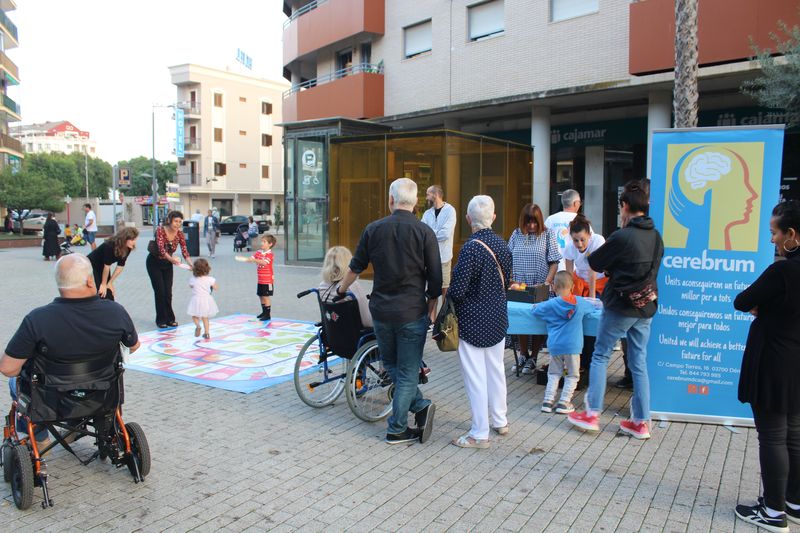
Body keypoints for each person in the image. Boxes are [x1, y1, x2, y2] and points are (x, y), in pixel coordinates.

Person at [337, 177, 442, 445]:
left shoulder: (374, 229)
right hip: (411, 312)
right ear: (416, 202)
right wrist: (431, 310)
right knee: (406, 372)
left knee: (393, 366)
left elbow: (355, 268)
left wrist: (340, 290)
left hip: (381, 312)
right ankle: (397, 427)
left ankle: (419, 406)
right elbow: (436, 280)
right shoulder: (425, 232)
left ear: (391, 200)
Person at [0, 254, 140, 448]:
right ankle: (76, 425)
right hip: (101, 391)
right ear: (90, 280)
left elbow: (8, 368)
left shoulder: (37, 319)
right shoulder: (116, 311)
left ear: (59, 283)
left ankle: (40, 439)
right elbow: (133, 346)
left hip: (50, 398)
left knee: (14, 383)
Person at [568, 180, 663, 440]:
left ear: (625, 206)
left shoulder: (622, 236)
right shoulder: (656, 236)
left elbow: (595, 261)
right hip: (645, 306)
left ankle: (592, 414)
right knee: (639, 362)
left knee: (600, 355)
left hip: (620, 306)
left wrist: (615, 265)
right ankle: (641, 422)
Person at [733, 200, 800, 532]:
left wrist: (766, 307)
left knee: (772, 437)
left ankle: (773, 513)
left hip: (774, 362)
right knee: (795, 436)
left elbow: (742, 301)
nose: (772, 239)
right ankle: (794, 502)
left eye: (775, 232)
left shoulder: (784, 270)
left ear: (792, 235)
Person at [447, 195, 512, 449]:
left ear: (467, 219)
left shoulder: (470, 248)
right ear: (493, 218)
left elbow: (458, 290)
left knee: (475, 376)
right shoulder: (503, 245)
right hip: (497, 317)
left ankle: (479, 433)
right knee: (496, 369)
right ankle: (500, 420)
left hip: (472, 321)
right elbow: (507, 282)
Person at [508, 203, 561, 373]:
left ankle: (534, 356)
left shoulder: (548, 234)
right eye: (528, 222)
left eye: (535, 222)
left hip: (540, 286)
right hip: (519, 285)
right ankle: (523, 353)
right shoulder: (516, 234)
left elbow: (554, 262)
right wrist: (509, 279)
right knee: (522, 320)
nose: (531, 226)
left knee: (538, 321)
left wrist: (547, 282)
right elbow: (508, 258)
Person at [534, 271, 594, 415]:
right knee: (572, 375)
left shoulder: (550, 304)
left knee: (554, 373)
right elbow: (592, 308)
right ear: (572, 287)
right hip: (573, 346)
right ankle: (564, 402)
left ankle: (547, 401)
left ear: (554, 287)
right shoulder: (580, 302)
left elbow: (536, 311)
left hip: (555, 345)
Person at [146, 210, 193, 329]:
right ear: (170, 221)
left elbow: (185, 251)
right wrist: (172, 260)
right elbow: (161, 250)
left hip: (167, 264)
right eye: (175, 221)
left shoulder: (180, 234)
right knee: (160, 292)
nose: (178, 224)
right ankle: (161, 320)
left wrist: (191, 265)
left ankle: (170, 319)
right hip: (154, 262)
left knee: (168, 293)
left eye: (180, 222)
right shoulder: (160, 230)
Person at [318, 246, 372, 328]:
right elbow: (367, 322)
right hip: (353, 333)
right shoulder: (352, 286)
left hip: (332, 331)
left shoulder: (322, 286)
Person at [421, 185, 457, 299]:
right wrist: (434, 232)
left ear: (435, 195)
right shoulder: (427, 213)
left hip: (444, 258)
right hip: (429, 258)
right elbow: (422, 232)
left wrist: (430, 233)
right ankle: (431, 317)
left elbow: (445, 234)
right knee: (432, 292)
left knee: (445, 289)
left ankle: (443, 316)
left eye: (428, 194)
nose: (426, 197)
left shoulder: (450, 211)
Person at [87, 227, 139, 301]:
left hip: (103, 266)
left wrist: (110, 282)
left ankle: (108, 308)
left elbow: (120, 266)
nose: (134, 242)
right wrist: (104, 284)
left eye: (135, 240)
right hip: (91, 264)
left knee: (108, 292)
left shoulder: (128, 248)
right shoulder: (110, 245)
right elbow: (107, 266)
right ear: (124, 238)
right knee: (101, 290)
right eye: (132, 240)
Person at [564, 214, 606, 299]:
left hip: (598, 281)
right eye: (575, 240)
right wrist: (569, 294)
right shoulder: (569, 247)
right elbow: (569, 274)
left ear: (589, 235)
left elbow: (592, 270)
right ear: (571, 238)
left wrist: (592, 297)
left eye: (582, 240)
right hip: (580, 281)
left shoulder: (597, 241)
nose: (579, 244)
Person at [544, 189, 585, 271]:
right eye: (579, 202)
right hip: (574, 271)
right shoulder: (581, 221)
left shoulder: (550, 220)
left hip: (553, 270)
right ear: (575, 203)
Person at [245, 234, 277, 320]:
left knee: (266, 297)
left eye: (264, 242)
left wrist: (254, 260)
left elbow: (264, 263)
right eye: (261, 241)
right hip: (260, 280)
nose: (262, 243)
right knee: (261, 295)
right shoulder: (259, 252)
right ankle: (264, 312)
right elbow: (252, 258)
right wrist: (248, 259)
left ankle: (268, 315)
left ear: (270, 244)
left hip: (267, 280)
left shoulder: (270, 254)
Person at [187, 258, 219, 340]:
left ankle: (198, 326)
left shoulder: (193, 279)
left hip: (196, 299)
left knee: (194, 315)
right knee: (205, 317)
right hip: (206, 300)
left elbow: (191, 286)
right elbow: (216, 288)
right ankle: (207, 333)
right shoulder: (210, 279)